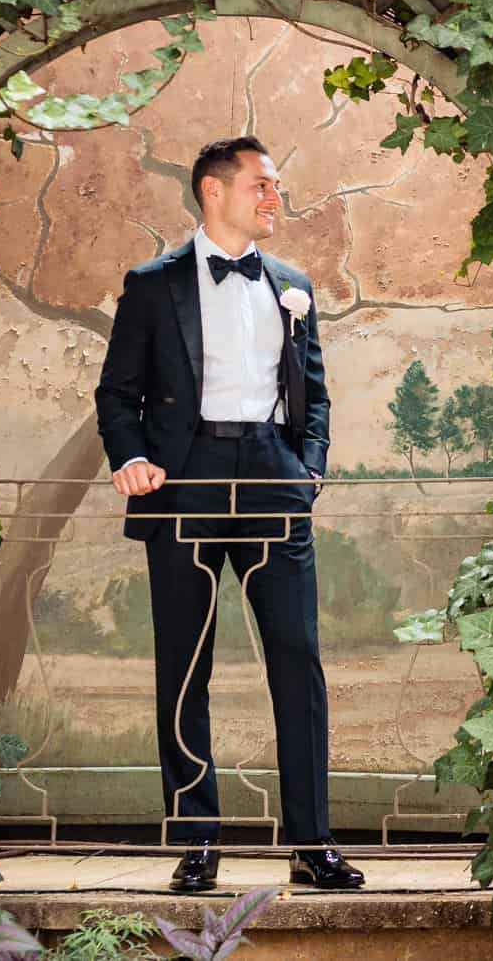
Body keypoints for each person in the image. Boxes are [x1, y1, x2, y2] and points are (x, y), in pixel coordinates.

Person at [94, 136, 363, 893]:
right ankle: (198, 839)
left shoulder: (292, 284)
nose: (274, 197)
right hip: (184, 479)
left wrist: (309, 466)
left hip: (275, 479)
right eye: (262, 185)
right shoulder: (152, 285)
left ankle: (312, 844)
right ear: (214, 191)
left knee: (298, 660)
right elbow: (117, 394)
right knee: (185, 664)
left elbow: (314, 395)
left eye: (274, 186)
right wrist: (130, 456)